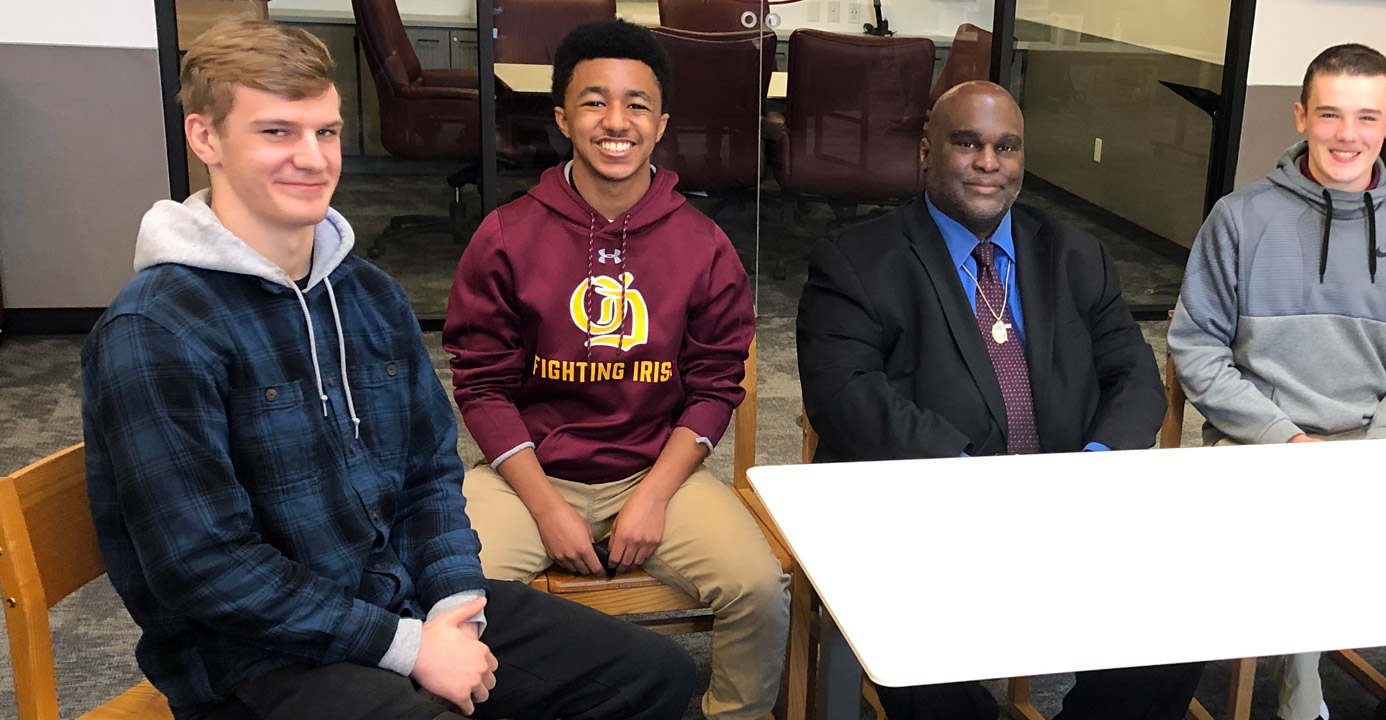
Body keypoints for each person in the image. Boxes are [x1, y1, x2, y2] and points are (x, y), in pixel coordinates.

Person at [82, 19, 695, 720]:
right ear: (206, 139)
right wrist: (408, 647)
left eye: (327, 132)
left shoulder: (369, 295)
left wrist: (455, 604)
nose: (312, 159)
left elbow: (429, 473)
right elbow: (205, 566)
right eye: (277, 133)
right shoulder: (156, 328)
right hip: (251, 661)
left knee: (653, 675)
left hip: (396, 602)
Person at [795, 79, 1203, 720]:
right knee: (918, 655)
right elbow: (844, 398)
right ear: (925, 151)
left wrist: (1091, 466)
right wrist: (973, 480)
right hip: (920, 521)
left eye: (1006, 147)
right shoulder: (856, 261)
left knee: (1186, 618)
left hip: (1066, 511)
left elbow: (1135, 376)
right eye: (967, 143)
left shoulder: (1075, 255)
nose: (989, 163)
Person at [444, 19, 786, 720]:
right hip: (530, 475)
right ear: (563, 117)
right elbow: (481, 383)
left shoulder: (703, 243)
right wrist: (546, 507)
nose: (616, 121)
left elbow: (718, 382)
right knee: (444, 593)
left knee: (759, 587)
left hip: (655, 470)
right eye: (595, 101)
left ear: (661, 123)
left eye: (636, 104)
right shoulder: (506, 234)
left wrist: (656, 496)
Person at [1168, 43, 1386, 720]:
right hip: (1259, 444)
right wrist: (1285, 439)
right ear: (1301, 116)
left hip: (1374, 444)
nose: (1347, 134)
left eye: (1366, 117)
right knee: (1295, 530)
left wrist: (1381, 444)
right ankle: (1303, 708)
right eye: (1330, 114)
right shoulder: (1238, 220)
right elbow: (1196, 348)